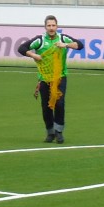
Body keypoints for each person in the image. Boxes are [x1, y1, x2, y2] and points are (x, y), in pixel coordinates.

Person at [16, 15, 83, 144]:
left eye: (53, 25)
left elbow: (80, 45)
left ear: (57, 26)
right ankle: (50, 132)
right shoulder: (40, 40)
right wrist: (33, 55)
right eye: (49, 25)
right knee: (46, 106)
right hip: (44, 79)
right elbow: (21, 48)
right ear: (45, 27)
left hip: (60, 77)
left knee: (59, 103)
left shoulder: (63, 38)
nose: (51, 28)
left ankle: (59, 132)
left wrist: (65, 45)